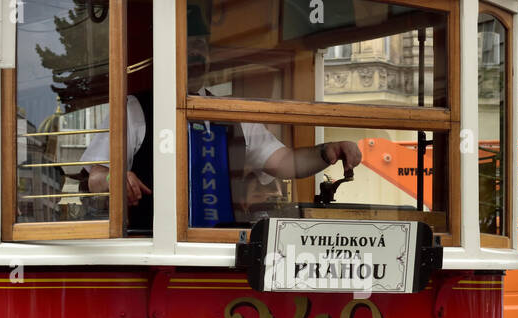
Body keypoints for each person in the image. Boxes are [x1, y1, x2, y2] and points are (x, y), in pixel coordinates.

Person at [78, 21, 363, 233]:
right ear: (167, 50)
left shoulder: (231, 113)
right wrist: (114, 179)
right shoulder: (135, 108)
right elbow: (95, 178)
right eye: (188, 45)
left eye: (202, 46)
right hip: (151, 244)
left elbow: (286, 162)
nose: (197, 54)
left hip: (219, 245)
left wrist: (329, 151)